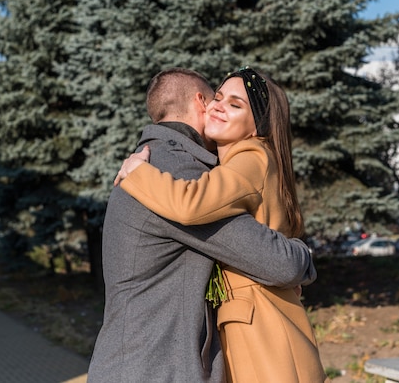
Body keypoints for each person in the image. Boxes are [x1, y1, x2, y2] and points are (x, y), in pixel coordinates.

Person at [87, 67, 318, 383]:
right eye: (217, 99)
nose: (218, 108)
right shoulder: (177, 171)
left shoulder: (149, 161)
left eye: (234, 104)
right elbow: (279, 263)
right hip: (158, 369)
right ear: (200, 102)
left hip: (130, 363)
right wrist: (302, 254)